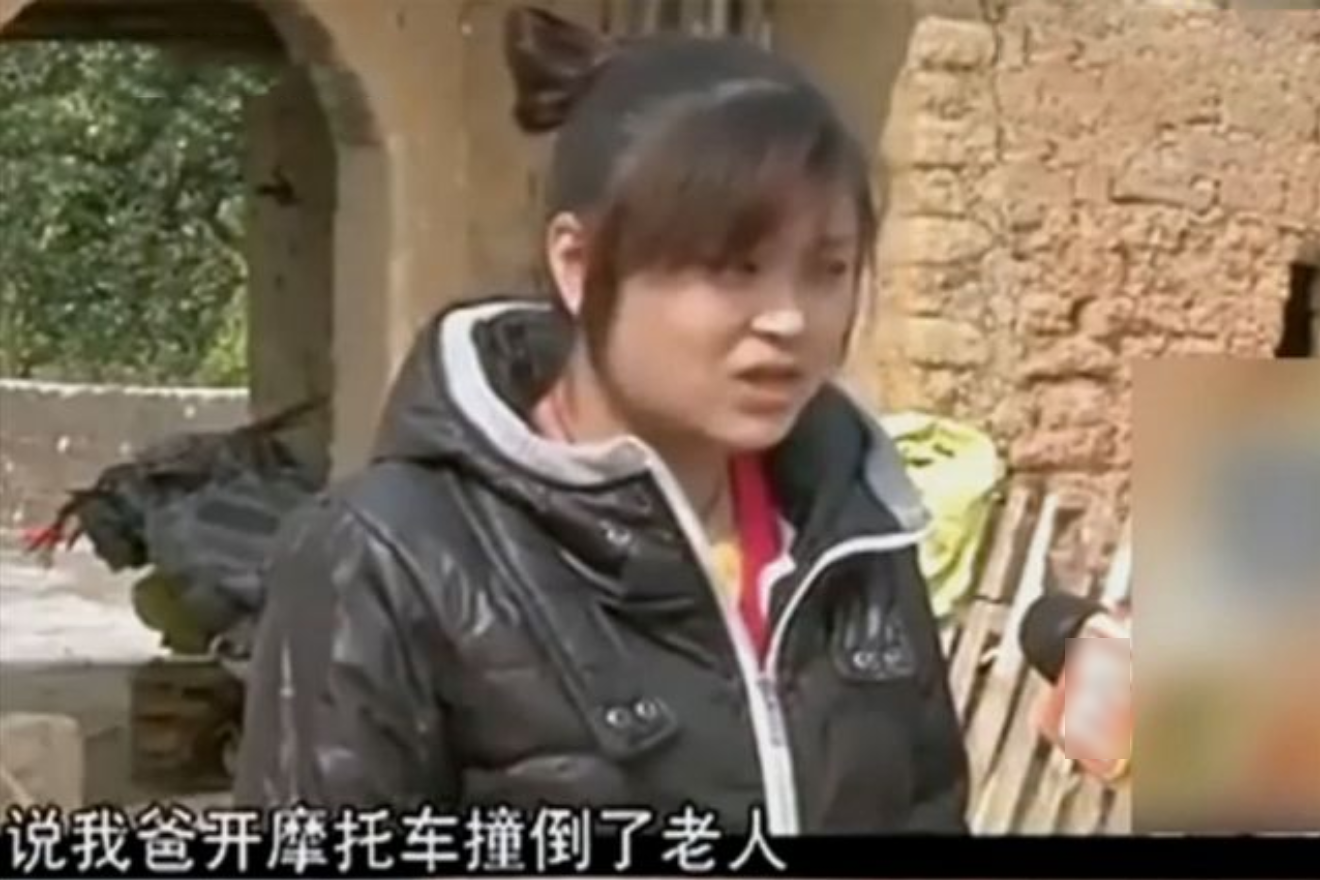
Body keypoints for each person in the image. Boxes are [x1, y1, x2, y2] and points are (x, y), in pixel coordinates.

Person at [234, 5, 970, 835]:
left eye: (827, 269)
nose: (788, 319)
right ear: (578, 265)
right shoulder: (389, 559)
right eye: (736, 268)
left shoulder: (856, 533)